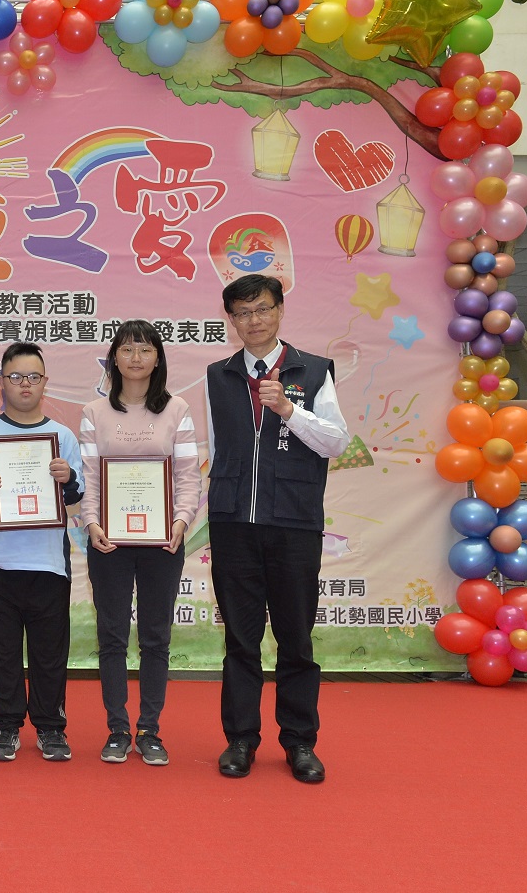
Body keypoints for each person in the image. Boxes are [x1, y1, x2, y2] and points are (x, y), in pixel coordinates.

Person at [205, 275, 349, 784]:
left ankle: (300, 742)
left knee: (295, 638)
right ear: (231, 320)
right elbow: (216, 449)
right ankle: (240, 739)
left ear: (280, 311)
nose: (254, 320)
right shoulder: (218, 375)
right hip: (233, 525)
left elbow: (336, 442)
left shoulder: (313, 370)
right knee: (240, 640)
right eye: (243, 313)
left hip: (293, 523)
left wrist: (289, 410)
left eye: (262, 309)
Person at [79, 320, 200, 766]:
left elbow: (188, 475)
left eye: (145, 349)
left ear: (157, 359)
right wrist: (92, 523)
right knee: (111, 636)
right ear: (114, 358)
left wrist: (181, 521)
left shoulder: (177, 409)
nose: (135, 358)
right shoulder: (94, 412)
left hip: (162, 541)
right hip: (107, 541)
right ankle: (117, 729)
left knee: (155, 637)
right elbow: (90, 476)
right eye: (127, 349)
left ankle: (149, 729)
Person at [0, 342, 84, 762]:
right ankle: (6, 724)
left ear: (45, 382)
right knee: (0, 652)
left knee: (50, 653)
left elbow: (76, 494)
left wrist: (66, 478)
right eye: (15, 377)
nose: (24, 384)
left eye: (33, 377)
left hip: (48, 563)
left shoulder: (62, 437)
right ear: (1, 383)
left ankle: (50, 727)